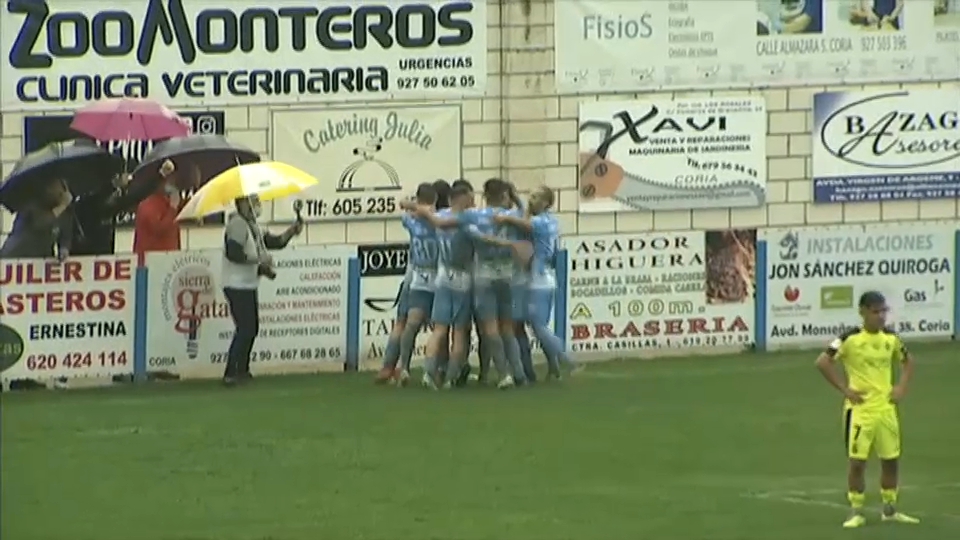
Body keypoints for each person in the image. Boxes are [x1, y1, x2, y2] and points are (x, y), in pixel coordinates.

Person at [814, 291, 919, 528]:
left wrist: (901, 387)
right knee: (857, 462)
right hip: (860, 411)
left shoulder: (891, 338)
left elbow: (908, 361)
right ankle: (856, 511)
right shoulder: (849, 338)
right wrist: (845, 389)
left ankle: (890, 510)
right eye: (875, 312)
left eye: (883, 311)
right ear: (862, 312)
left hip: (886, 410)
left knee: (891, 460)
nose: (881, 316)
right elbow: (822, 362)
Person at [493, 186, 575, 379]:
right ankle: (553, 368)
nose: (531, 200)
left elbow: (525, 223)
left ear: (546, 202)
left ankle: (567, 360)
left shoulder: (538, 222)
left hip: (538, 278)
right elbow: (526, 219)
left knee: (537, 326)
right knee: (539, 326)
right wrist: (517, 200)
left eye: (536, 197)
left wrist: (505, 218)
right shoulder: (551, 220)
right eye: (531, 196)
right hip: (546, 276)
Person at [221, 194, 302, 385]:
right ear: (241, 204)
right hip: (236, 284)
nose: (256, 205)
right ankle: (232, 371)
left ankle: (242, 369)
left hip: (247, 283)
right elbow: (234, 253)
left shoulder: (253, 226)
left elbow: (274, 242)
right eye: (251, 201)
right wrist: (258, 261)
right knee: (245, 328)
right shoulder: (238, 224)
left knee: (251, 328)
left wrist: (291, 231)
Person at [393, 183, 439, 386]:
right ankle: (431, 369)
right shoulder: (437, 222)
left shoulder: (412, 221)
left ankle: (404, 366)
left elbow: (404, 208)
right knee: (439, 327)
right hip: (434, 278)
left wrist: (411, 205)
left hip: (421, 279)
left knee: (413, 324)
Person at [133, 159, 197, 257]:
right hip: (151, 260)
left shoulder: (166, 201)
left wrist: (195, 186)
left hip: (169, 259)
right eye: (170, 180)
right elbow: (159, 229)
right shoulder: (147, 205)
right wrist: (172, 208)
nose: (173, 183)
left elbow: (185, 208)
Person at [0, 179, 72, 260]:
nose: (64, 192)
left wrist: (64, 248)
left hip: (42, 257)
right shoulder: (32, 202)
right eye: (61, 186)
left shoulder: (65, 212)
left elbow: (66, 233)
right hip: (16, 255)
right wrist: (62, 206)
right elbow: (40, 222)